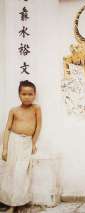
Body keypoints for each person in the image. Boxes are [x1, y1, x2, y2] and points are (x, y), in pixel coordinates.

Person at [0, 80, 42, 212]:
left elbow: (38, 126)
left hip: (26, 143)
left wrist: (33, 143)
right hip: (13, 141)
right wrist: (5, 148)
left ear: (34, 95)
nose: (27, 96)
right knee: (10, 172)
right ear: (19, 94)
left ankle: (16, 204)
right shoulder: (14, 110)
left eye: (30, 94)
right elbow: (7, 129)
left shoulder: (36, 108)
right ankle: (9, 202)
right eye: (24, 94)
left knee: (21, 173)